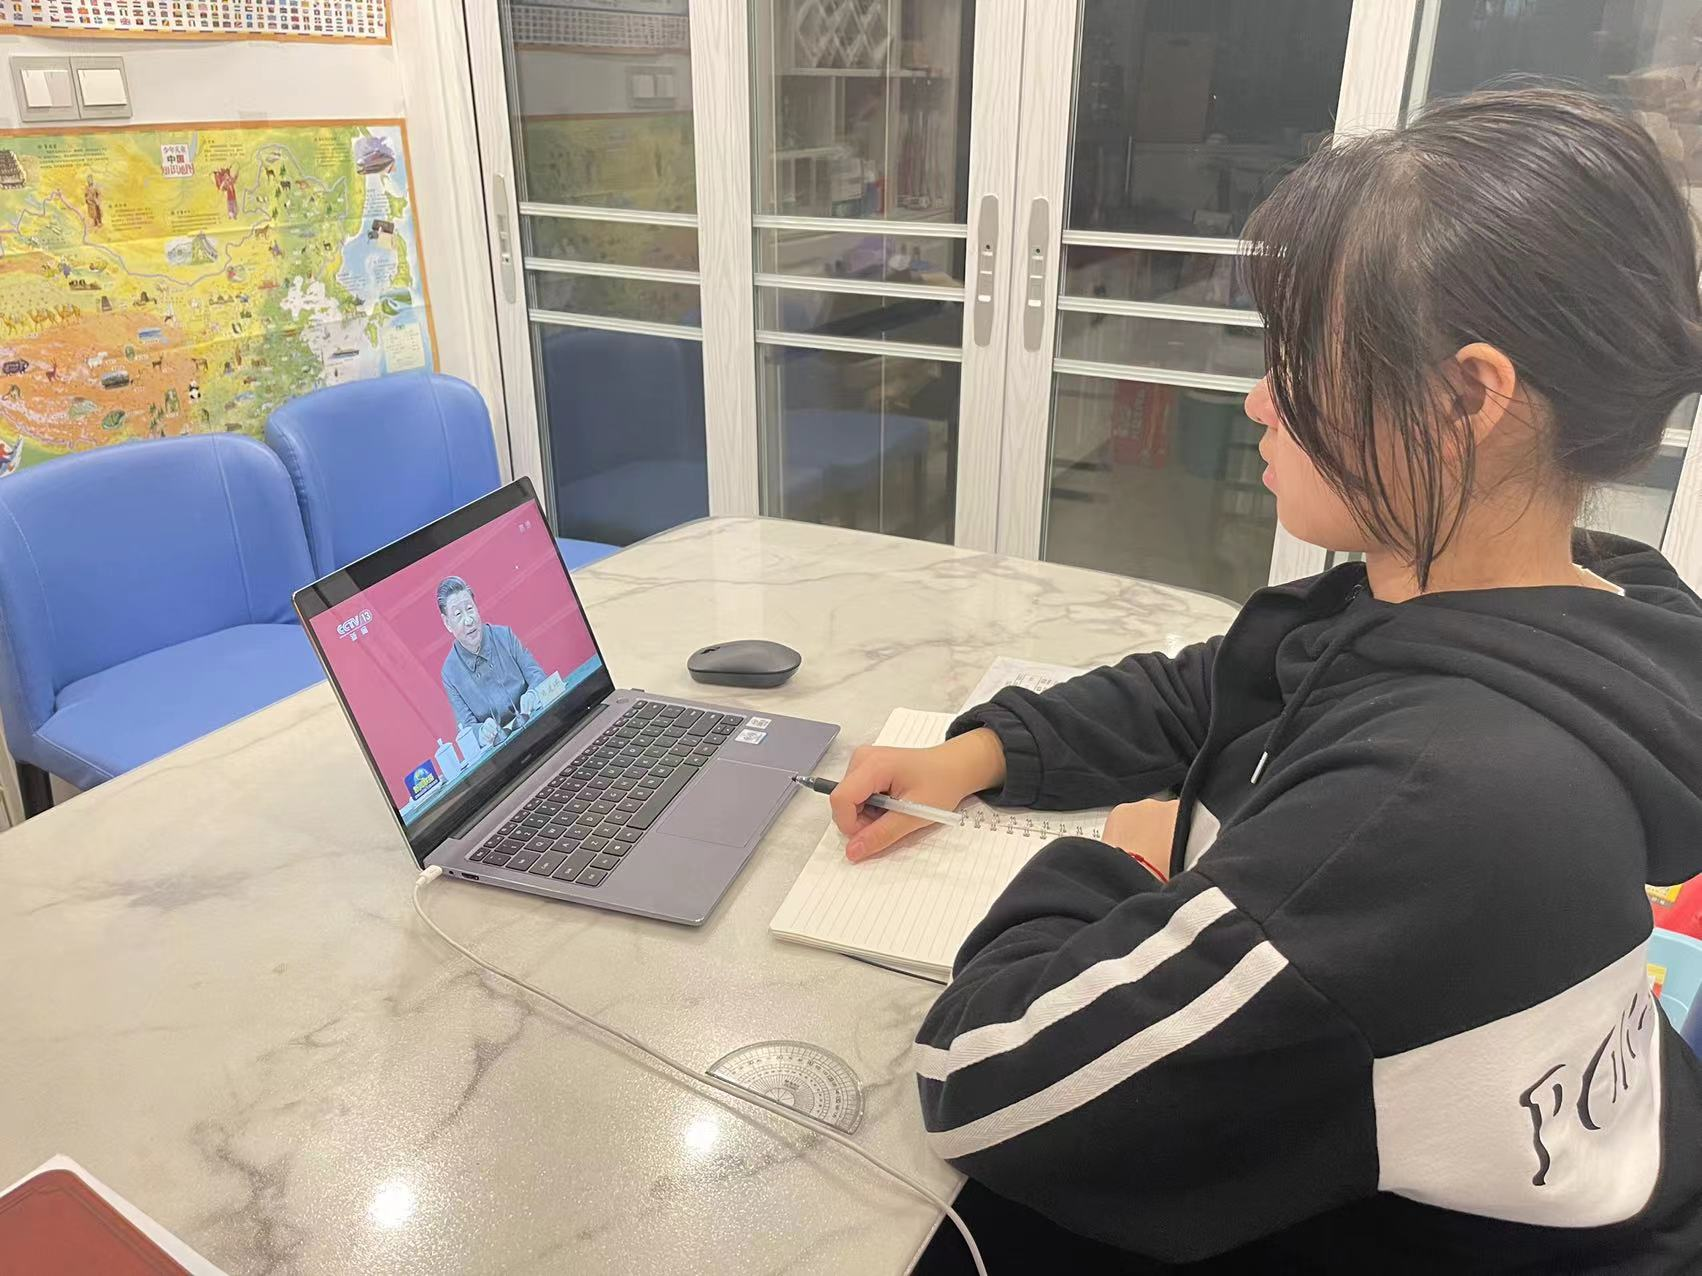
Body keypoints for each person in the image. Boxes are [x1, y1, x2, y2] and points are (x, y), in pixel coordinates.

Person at [833, 88, 1702, 1271]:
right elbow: (1226, 685)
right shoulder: (1582, 596)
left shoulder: (1433, 804)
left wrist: (1126, 864)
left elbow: (985, 1083)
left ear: (1467, 398)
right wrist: (983, 751)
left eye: (1296, 362)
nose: (1256, 399)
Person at [438, 575, 547, 749]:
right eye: (458, 614)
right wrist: (481, 732)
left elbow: (537, 675)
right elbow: (466, 727)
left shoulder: (504, 635)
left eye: (469, 609)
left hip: (538, 724)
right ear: (447, 623)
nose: (468, 620)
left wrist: (533, 694)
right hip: (502, 750)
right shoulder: (450, 673)